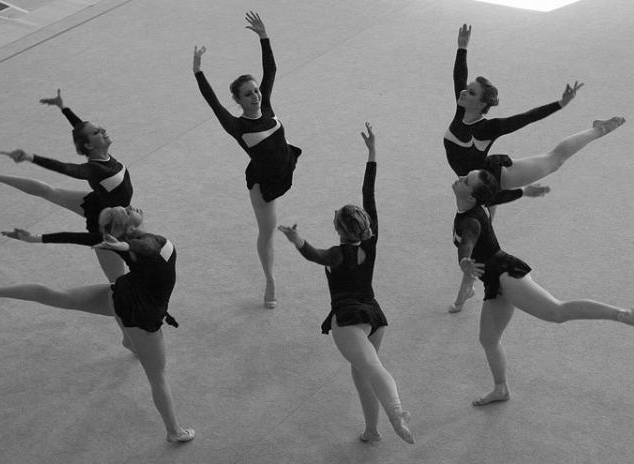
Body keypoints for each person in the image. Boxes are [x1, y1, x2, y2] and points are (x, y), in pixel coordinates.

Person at [0, 206, 195, 444]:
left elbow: (75, 237)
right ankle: (174, 431)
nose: (128, 205)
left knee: (59, 296)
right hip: (140, 314)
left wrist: (36, 238)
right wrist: (125, 246)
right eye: (126, 210)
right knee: (158, 377)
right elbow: (146, 248)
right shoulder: (148, 244)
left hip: (118, 296)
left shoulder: (125, 238)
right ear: (126, 226)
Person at [451, 169, 634, 407]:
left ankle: (623, 314)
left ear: (472, 197)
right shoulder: (477, 205)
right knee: (488, 340)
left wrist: (464, 260)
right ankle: (501, 388)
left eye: (466, 180)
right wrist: (523, 191)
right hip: (493, 281)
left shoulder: (471, 222)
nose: (460, 178)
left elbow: (468, 241)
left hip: (505, 276)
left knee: (557, 311)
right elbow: (496, 196)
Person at [0, 90, 136, 347]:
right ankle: (128, 338)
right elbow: (66, 168)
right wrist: (32, 157)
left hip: (100, 204)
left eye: (99, 128)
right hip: (108, 228)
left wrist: (63, 108)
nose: (103, 130)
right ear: (90, 146)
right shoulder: (94, 168)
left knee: (50, 192)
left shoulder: (100, 154)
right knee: (118, 287)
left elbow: (81, 128)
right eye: (97, 132)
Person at [278, 123, 413, 444]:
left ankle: (396, 413)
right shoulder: (370, 243)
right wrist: (372, 152)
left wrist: (297, 239)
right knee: (362, 372)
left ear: (338, 229)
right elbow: (370, 194)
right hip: (375, 317)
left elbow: (315, 255)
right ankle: (372, 430)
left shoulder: (338, 254)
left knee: (372, 368)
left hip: (349, 320)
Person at [445, 24, 581, 313]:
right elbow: (458, 77)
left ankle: (467, 286)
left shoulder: (489, 128)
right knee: (479, 239)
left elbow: (525, 118)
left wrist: (560, 104)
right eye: (466, 90)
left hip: (487, 182)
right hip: (473, 180)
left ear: (482, 104)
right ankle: (467, 286)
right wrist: (462, 47)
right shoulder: (461, 108)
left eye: (471, 92)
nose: (463, 92)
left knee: (553, 162)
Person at [194, 11, 302, 309]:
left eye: (255, 91)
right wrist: (198, 70)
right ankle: (270, 279)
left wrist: (264, 37)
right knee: (267, 231)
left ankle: (269, 278)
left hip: (285, 164)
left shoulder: (266, 105)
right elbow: (212, 101)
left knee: (272, 221)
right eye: (248, 94)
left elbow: (271, 69)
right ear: (238, 100)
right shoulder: (236, 126)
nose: (255, 96)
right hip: (263, 182)